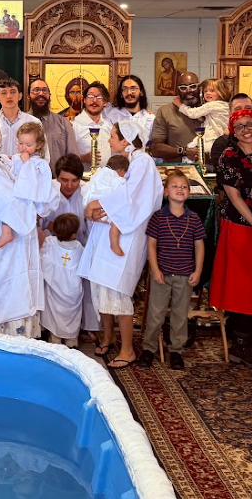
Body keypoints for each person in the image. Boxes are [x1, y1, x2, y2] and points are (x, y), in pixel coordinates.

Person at [0, 117, 59, 337]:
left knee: (22, 286)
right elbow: (5, 199)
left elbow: (28, 187)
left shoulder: (4, 161)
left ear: (0, 136)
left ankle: (22, 339)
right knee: (1, 289)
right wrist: (30, 204)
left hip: (20, 235)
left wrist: (32, 198)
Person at [79, 120, 162, 368]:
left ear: (125, 140)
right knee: (100, 286)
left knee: (118, 291)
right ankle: (108, 336)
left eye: (113, 136)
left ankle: (127, 349)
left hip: (127, 235)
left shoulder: (143, 162)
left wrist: (96, 205)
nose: (109, 140)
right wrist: (92, 207)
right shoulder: (123, 163)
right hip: (105, 230)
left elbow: (132, 198)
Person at [210, 109, 252, 367]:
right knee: (243, 284)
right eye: (239, 126)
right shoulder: (229, 156)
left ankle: (251, 336)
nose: (246, 130)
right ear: (232, 132)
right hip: (241, 225)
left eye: (250, 124)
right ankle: (240, 343)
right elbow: (234, 197)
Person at [141, 171, 206, 370]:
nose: (180, 189)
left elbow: (199, 246)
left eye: (184, 187)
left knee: (180, 314)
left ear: (189, 192)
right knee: (156, 313)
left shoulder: (193, 218)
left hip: (185, 275)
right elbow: (151, 245)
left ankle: (176, 350)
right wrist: (155, 269)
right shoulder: (158, 217)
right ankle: (148, 348)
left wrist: (198, 271)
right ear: (166, 191)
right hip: (162, 274)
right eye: (175, 186)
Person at [41, 155, 100, 340]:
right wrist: (53, 227)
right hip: (52, 250)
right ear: (56, 177)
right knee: (50, 287)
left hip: (79, 249)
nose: (69, 185)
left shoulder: (87, 193)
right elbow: (39, 221)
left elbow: (92, 228)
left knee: (82, 287)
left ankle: (86, 325)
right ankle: (48, 326)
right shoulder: (47, 190)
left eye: (74, 180)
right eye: (64, 180)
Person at [40, 214, 85, 346]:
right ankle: (71, 339)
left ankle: (55, 337)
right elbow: (84, 267)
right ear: (73, 234)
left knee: (54, 309)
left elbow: (41, 258)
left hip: (55, 285)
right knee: (71, 312)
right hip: (72, 289)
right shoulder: (79, 247)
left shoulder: (49, 242)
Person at [81, 154, 130, 257]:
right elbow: (121, 192)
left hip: (90, 202)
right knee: (116, 224)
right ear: (122, 171)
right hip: (103, 205)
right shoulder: (117, 178)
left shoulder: (99, 172)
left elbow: (88, 187)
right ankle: (114, 244)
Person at [150, 72, 202, 162]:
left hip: (209, 167)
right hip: (178, 168)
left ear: (200, 88)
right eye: (183, 88)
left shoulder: (210, 109)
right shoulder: (165, 111)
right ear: (177, 91)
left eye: (193, 86)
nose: (188, 90)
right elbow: (156, 149)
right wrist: (184, 151)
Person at [27, 78, 80, 167]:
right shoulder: (22, 122)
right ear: (28, 95)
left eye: (45, 90)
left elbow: (73, 158)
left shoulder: (63, 123)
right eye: (36, 90)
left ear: (50, 95)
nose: (41, 94)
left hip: (57, 175)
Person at [176, 78, 230, 157]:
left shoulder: (211, 105)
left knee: (192, 150)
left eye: (212, 90)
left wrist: (179, 104)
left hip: (212, 137)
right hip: (222, 137)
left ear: (221, 92)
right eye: (205, 91)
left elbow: (193, 113)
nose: (208, 93)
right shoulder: (226, 105)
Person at [0, 78, 40, 159]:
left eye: (13, 92)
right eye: (4, 93)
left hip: (25, 166)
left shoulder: (33, 122)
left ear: (20, 96)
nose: (9, 96)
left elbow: (42, 154)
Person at [72, 82, 115, 170]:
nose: (94, 101)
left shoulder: (109, 126)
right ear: (84, 100)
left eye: (99, 97)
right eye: (90, 96)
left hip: (105, 176)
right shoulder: (73, 125)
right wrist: (83, 158)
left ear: (105, 102)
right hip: (82, 176)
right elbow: (64, 154)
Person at [207, 93, 252, 170]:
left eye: (248, 108)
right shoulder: (222, 144)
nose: (244, 112)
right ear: (230, 114)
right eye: (238, 109)